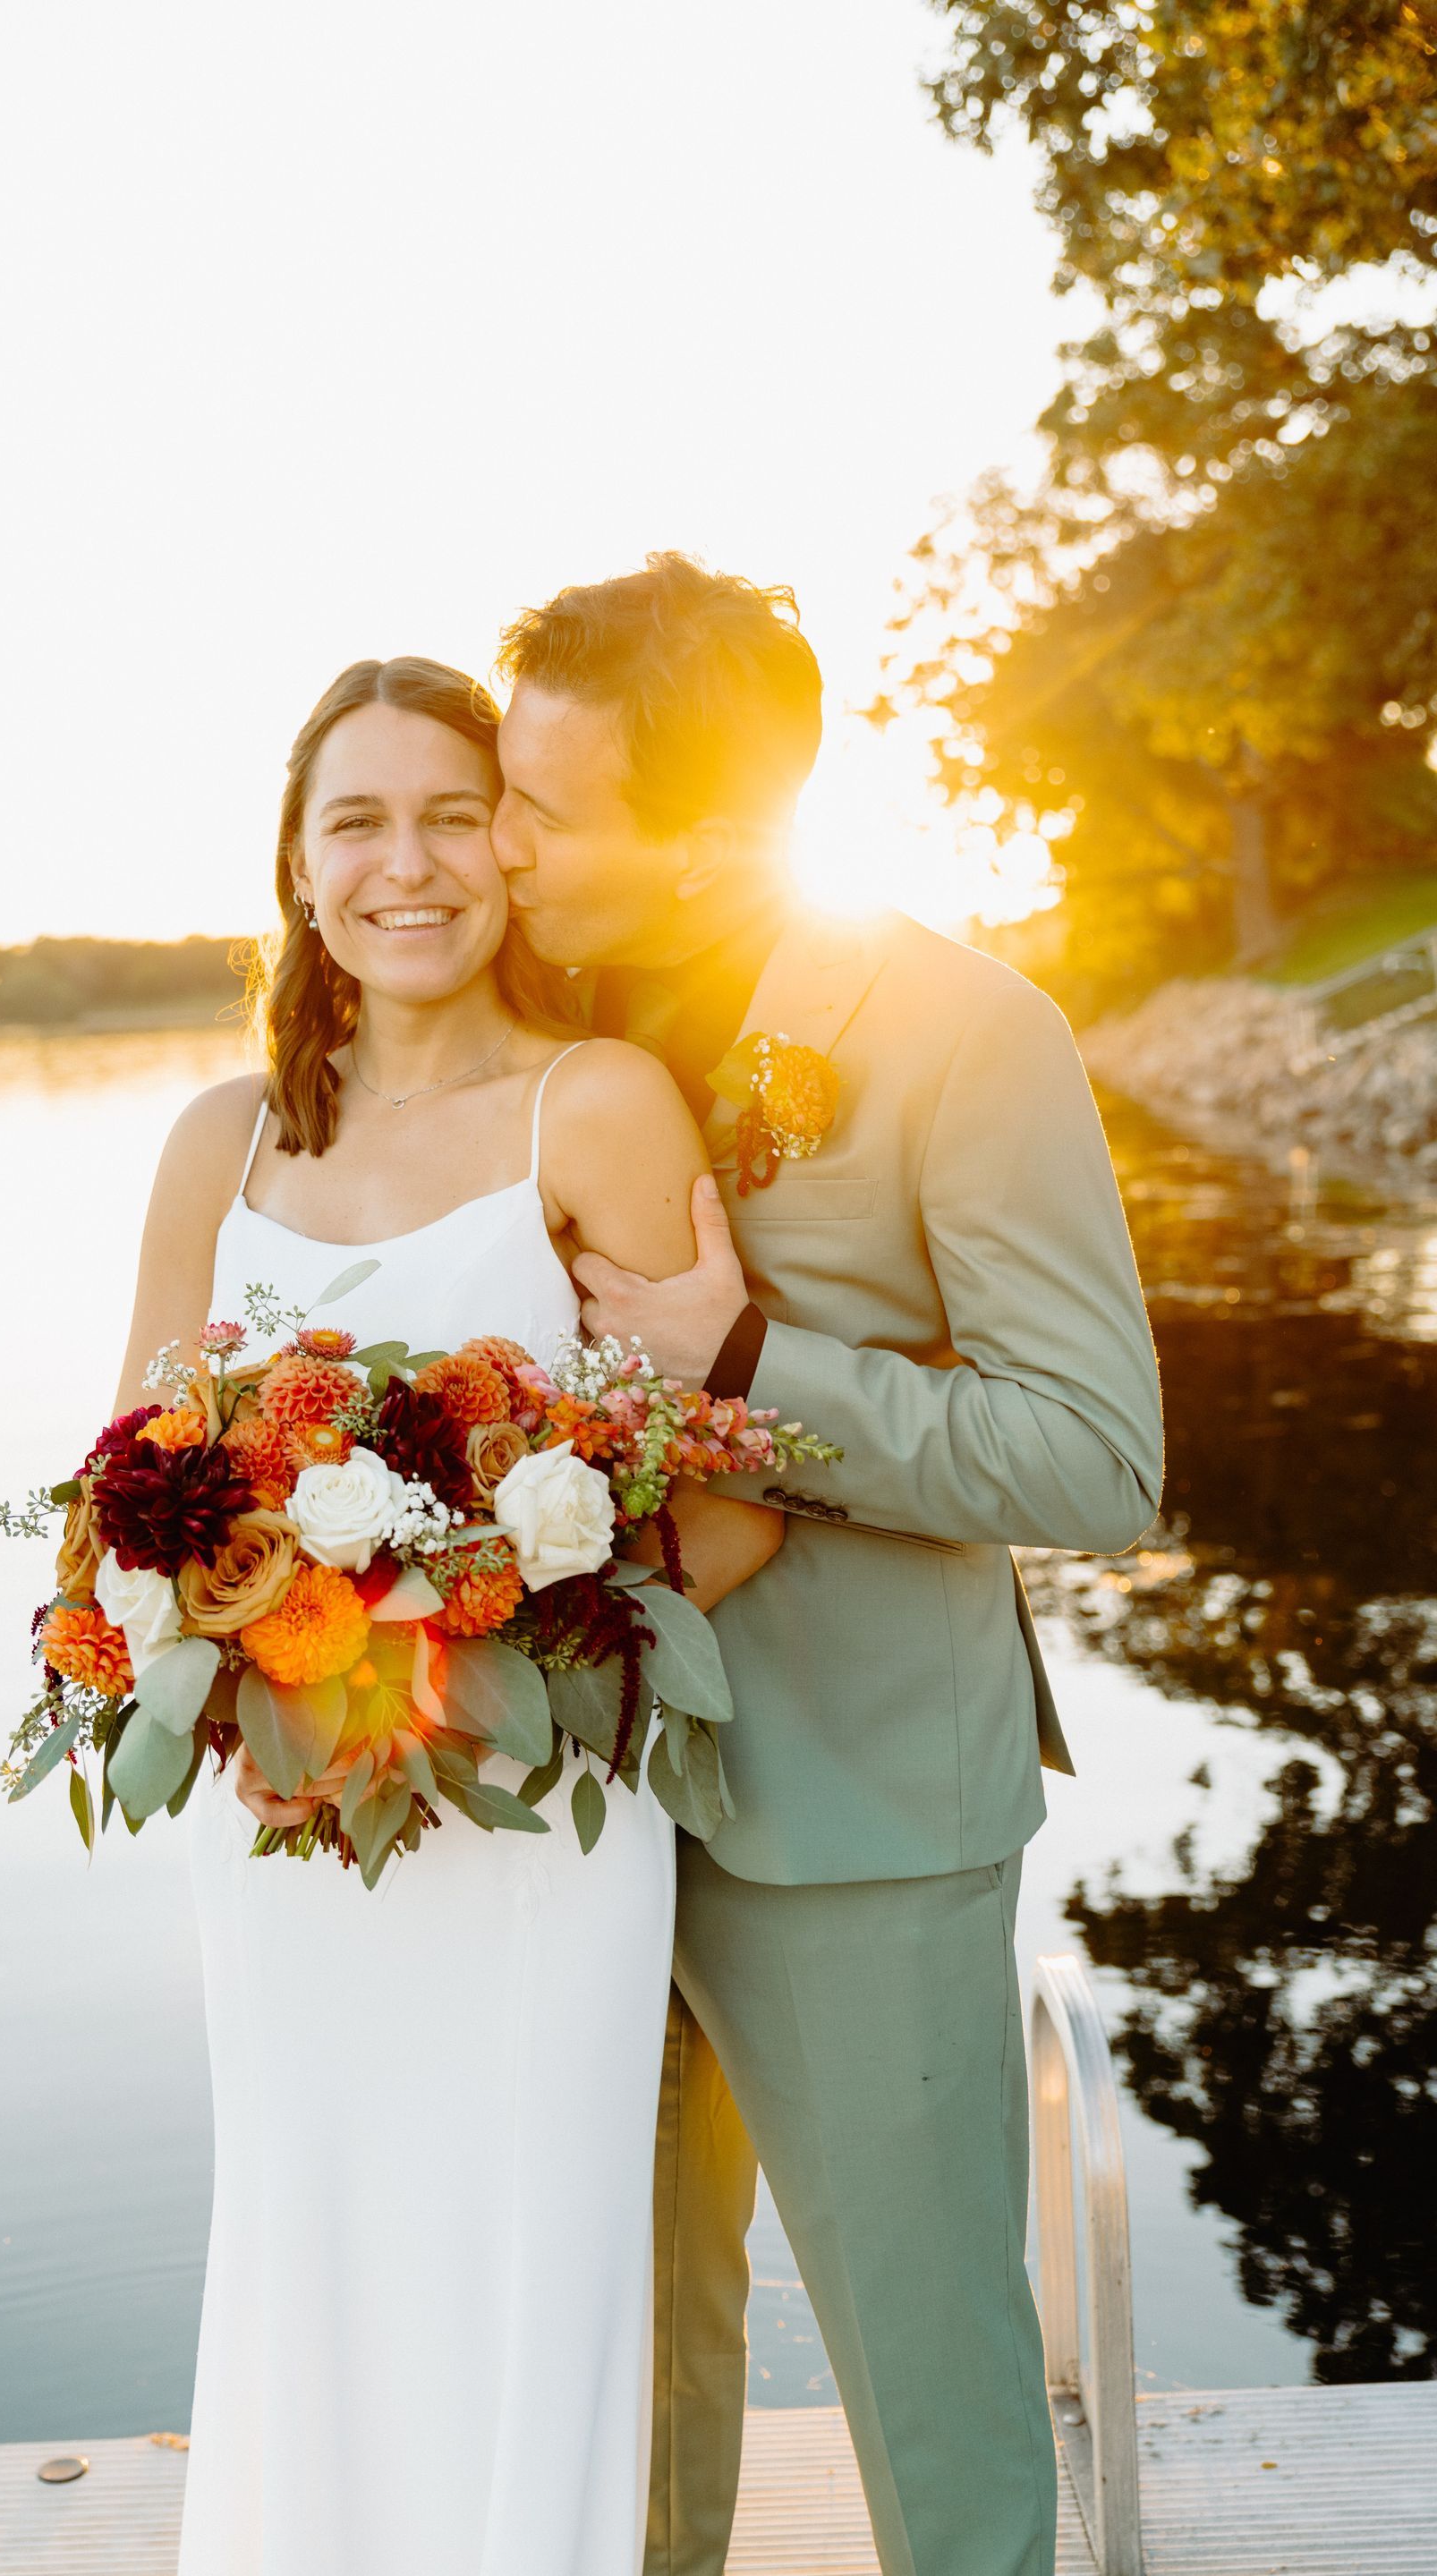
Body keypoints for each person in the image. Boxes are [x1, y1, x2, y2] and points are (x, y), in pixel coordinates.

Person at [491, 555, 1165, 2576]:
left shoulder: (966, 1026)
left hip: (863, 1805)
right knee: (618, 2373)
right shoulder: (513, 1024)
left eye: (540, 806)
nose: (494, 837)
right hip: (568, 1797)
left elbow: (1098, 1453)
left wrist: (754, 1370)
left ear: (701, 835)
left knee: (930, 2389)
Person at [111, 654, 784, 2576]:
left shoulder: (597, 1102)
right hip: (286, 1827)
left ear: (512, 847)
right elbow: (131, 1495)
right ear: (300, 868)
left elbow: (730, 1503)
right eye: (359, 820)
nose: (408, 863)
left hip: (530, 1815)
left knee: (529, 2253)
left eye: (451, 812)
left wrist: (495, 1658)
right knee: (311, 2232)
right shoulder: (215, 1143)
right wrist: (248, 1649)